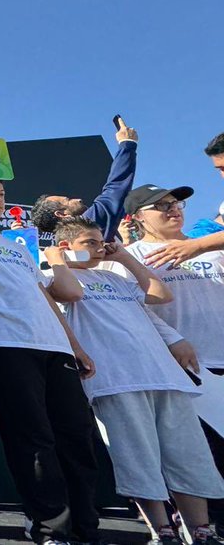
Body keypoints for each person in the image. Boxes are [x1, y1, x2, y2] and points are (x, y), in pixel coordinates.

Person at [45, 217, 224, 545]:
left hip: (163, 377)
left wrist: (124, 257)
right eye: (90, 243)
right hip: (116, 380)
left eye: (101, 242)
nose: (99, 249)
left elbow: (159, 295)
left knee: (189, 454)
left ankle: (200, 530)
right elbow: (68, 292)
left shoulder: (114, 276)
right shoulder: (51, 278)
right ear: (66, 246)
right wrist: (57, 259)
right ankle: (163, 531)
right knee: (138, 457)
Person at [0, 179, 100, 544]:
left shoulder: (18, 246)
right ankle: (49, 527)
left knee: (76, 436)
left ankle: (85, 526)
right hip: (4, 343)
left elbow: (43, 296)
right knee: (32, 439)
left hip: (54, 347)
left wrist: (74, 344)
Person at [121, 184, 224, 520]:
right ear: (137, 217)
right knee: (203, 458)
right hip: (186, 372)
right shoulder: (132, 256)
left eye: (175, 203)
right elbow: (132, 307)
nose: (172, 209)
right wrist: (171, 340)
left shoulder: (211, 249)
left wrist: (198, 245)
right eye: (160, 206)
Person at [29, 121, 138, 241]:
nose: (78, 199)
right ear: (62, 214)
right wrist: (127, 143)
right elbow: (115, 189)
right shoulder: (87, 224)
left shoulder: (66, 244)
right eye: (68, 200)